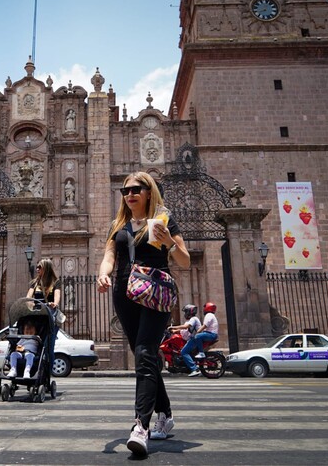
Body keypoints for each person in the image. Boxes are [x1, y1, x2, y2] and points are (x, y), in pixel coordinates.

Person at [96, 171, 190, 456]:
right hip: (124, 292)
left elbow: (184, 261)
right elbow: (109, 255)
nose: (130, 194)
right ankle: (165, 413)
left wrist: (169, 243)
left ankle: (140, 426)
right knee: (143, 355)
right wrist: (103, 273)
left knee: (146, 352)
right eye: (125, 191)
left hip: (155, 290)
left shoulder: (164, 219)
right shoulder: (119, 224)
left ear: (149, 192)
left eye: (137, 189)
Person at [26, 258, 62, 373]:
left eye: (39, 267)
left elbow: (57, 296)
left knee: (49, 346)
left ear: (46, 268)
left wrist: (54, 303)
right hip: (37, 315)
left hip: (50, 316)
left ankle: (48, 373)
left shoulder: (55, 282)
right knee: (35, 343)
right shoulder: (34, 283)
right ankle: (33, 367)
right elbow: (29, 296)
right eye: (37, 267)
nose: (37, 269)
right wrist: (29, 303)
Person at [169, 304, 203, 378]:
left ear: (189, 312)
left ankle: (195, 369)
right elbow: (184, 329)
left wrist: (173, 326)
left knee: (184, 352)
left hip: (195, 339)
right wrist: (174, 331)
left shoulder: (193, 319)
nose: (185, 314)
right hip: (193, 338)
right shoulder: (192, 319)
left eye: (185, 312)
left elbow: (186, 327)